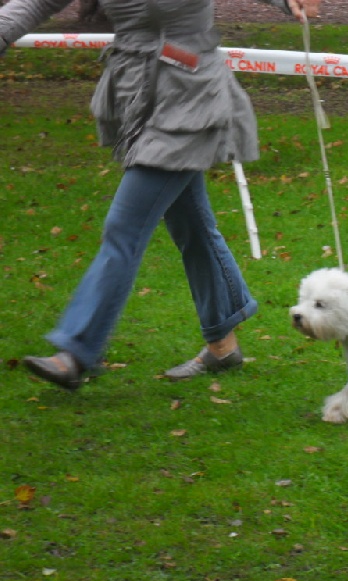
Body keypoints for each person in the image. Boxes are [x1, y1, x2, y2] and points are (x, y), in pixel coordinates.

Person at [0, 0, 321, 390]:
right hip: (137, 95)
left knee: (124, 228)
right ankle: (223, 344)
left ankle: (76, 350)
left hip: (189, 102)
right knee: (192, 223)